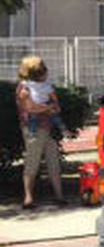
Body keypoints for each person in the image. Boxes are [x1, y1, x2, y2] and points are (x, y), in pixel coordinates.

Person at [17, 55, 66, 209]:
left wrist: (49, 107)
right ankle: (28, 198)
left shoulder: (45, 86)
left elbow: (55, 105)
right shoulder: (24, 88)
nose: (44, 73)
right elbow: (31, 108)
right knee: (32, 162)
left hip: (48, 128)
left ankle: (59, 196)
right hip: (34, 129)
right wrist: (48, 107)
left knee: (54, 162)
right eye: (41, 71)